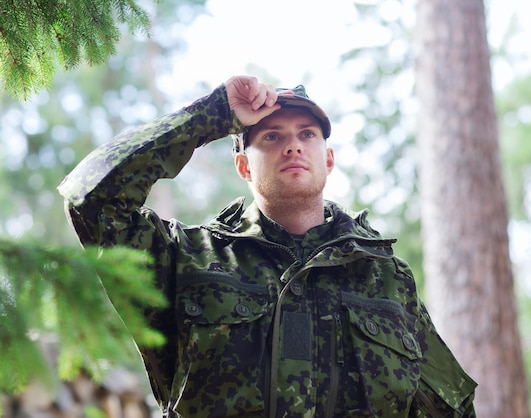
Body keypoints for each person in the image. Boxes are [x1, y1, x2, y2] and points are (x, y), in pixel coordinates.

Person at [58, 75, 477, 417]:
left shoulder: (386, 278)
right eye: (272, 137)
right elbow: (90, 197)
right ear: (243, 165)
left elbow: (451, 406)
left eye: (307, 134)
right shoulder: (185, 259)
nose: (293, 144)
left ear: (328, 159)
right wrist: (213, 115)